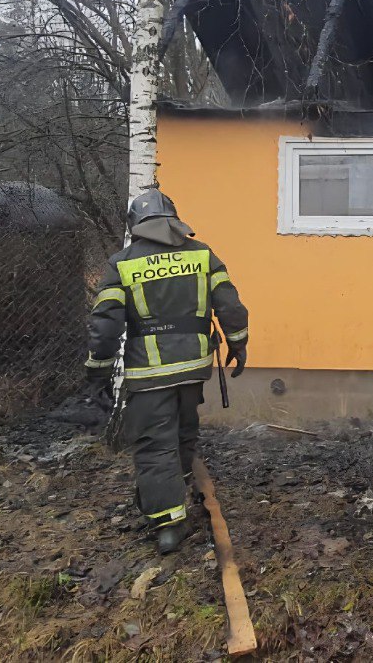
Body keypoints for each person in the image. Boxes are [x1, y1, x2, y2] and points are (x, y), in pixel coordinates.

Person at [86, 189, 249, 554]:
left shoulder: (122, 263)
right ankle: (180, 486)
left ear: (135, 225)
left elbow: (105, 324)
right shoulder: (202, 254)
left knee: (154, 444)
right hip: (194, 366)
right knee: (183, 428)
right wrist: (238, 345)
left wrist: (98, 370)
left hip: (150, 372)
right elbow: (230, 305)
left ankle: (169, 524)